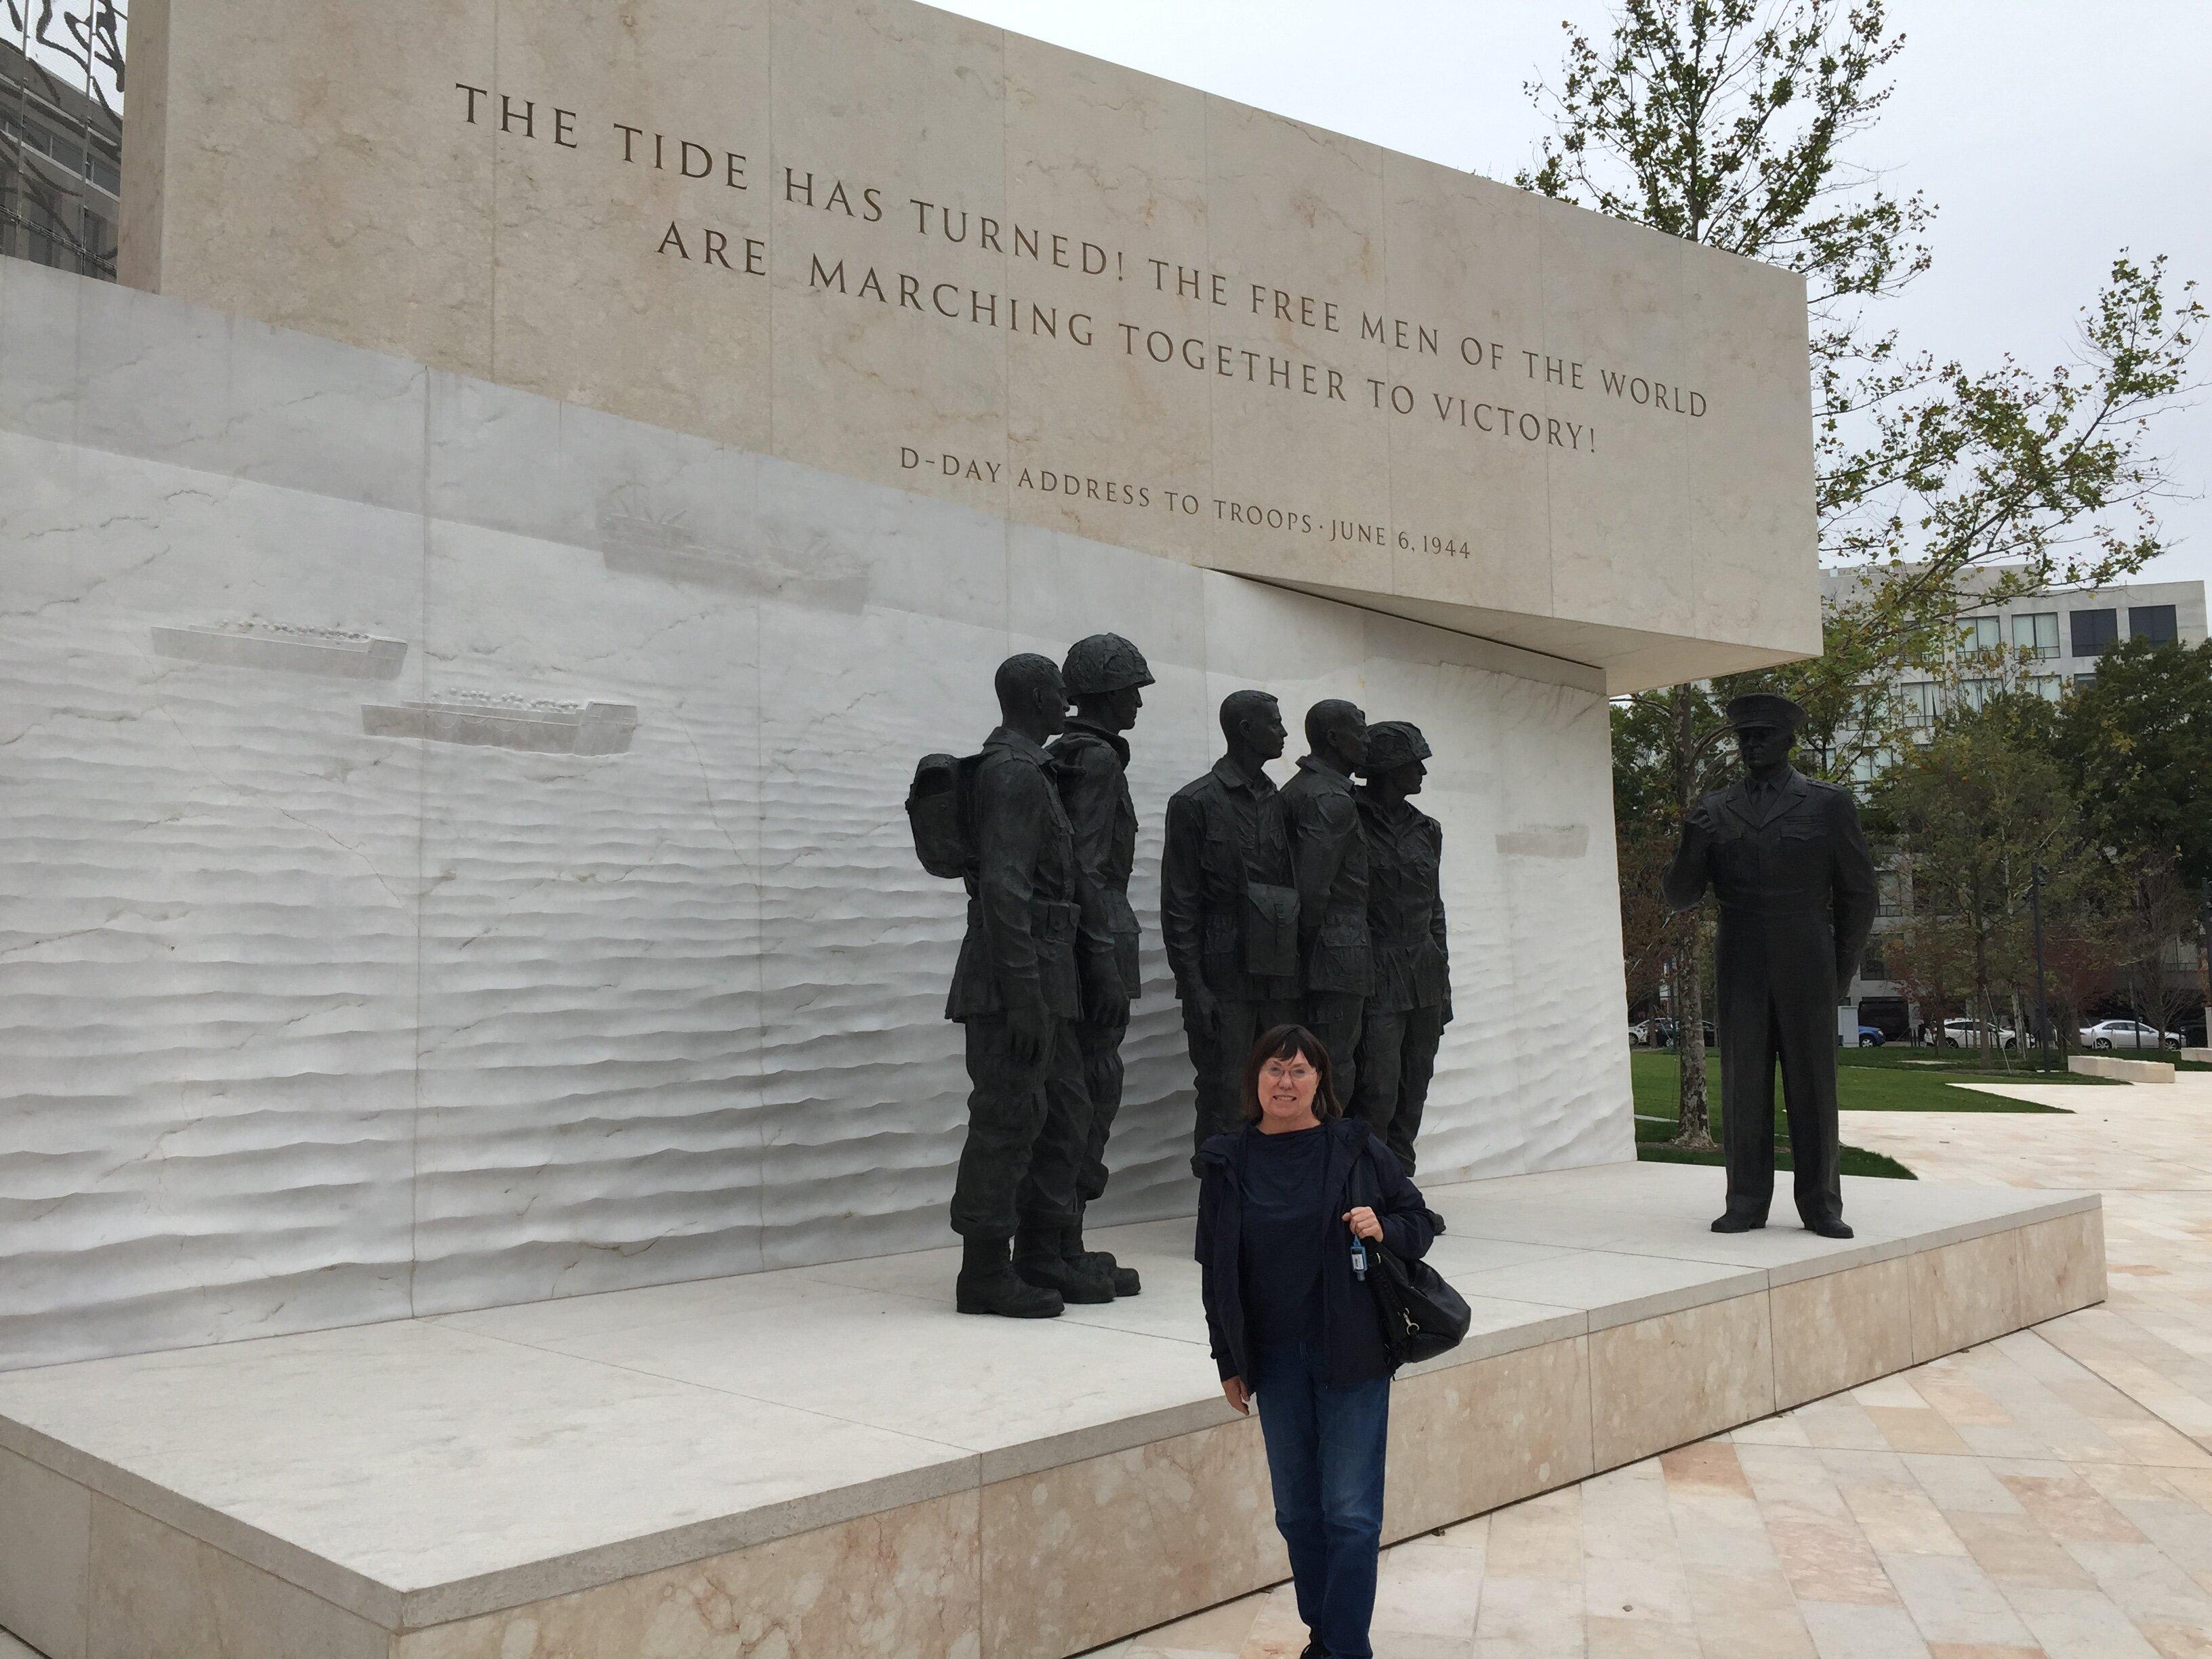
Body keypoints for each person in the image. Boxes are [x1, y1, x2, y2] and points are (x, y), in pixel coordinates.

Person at [1195, 1025, 1441, 1659]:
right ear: (1255, 1081)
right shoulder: (1228, 1161)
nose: (1286, 1082)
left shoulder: (1354, 1148)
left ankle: (1343, 1649)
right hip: (1273, 1364)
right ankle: (1325, 1637)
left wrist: (1382, 1225)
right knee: (1299, 1515)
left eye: (1300, 1071)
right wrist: (1228, 1358)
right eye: (1275, 1070)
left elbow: (1420, 1223)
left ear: (1320, 1084)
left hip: (1351, 1354)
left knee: (1351, 1514)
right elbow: (1215, 1270)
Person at [1661, 693, 1877, 1237]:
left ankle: (1822, 1202)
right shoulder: (1713, 811)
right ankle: (1746, 1200)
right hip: (1740, 959)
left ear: (1788, 740)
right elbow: (1679, 897)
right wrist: (1692, 842)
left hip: (1807, 954)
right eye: (1745, 736)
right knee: (1744, 1083)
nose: (1752, 744)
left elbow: (1859, 895)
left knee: (1814, 1084)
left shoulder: (1828, 804)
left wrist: (1838, 971)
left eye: (1763, 735)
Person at [945, 653, 1119, 1316]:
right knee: (1007, 1120)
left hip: (1044, 978)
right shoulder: (1014, 772)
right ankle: (984, 1273)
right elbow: (1005, 888)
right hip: (1013, 983)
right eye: (1059, 695)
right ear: (1041, 697)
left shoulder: (1032, 768)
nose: (1067, 705)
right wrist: (1022, 994)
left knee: (1063, 1113)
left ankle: (1046, 1252)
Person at [1048, 632, 1153, 1296]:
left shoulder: (1075, 756)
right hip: (1096, 944)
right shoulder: (1096, 762)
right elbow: (1086, 867)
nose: (1138, 705)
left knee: (1082, 1092)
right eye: (1132, 692)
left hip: (1091, 940)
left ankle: (1062, 1241)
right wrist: (1103, 963)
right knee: (1086, 1094)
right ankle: (1059, 1244)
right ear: (1107, 693)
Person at [1162, 690, 1301, 1172]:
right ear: (1246, 729)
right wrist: (1193, 986)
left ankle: (1271, 1200)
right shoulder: (1195, 802)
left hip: (1277, 972)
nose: (1284, 733)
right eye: (1276, 724)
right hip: (1223, 971)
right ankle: (1223, 1207)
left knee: (1282, 1087)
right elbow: (1179, 904)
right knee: (1225, 1090)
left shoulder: (1280, 803)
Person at [1350, 720, 1452, 1175]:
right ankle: (1368, 1187)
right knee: (1377, 1088)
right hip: (1376, 969)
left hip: (1424, 972)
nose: (1423, 775)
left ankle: (1400, 1183)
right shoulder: (1347, 817)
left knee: (1415, 1085)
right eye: (1416, 765)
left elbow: (1435, 909)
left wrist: (1443, 982)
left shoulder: (1427, 830)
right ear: (1390, 769)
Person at [1280, 700, 1374, 1107]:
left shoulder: (1300, 788)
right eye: (1360, 730)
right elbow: (1313, 889)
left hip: (1321, 948)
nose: (1367, 740)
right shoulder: (1329, 798)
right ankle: (1326, 1153)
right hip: (1335, 949)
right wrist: (1312, 943)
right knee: (1333, 1062)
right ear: (1335, 739)